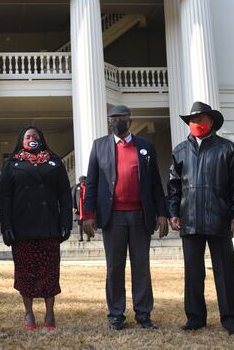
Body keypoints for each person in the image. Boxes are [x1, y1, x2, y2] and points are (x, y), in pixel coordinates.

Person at [82, 105, 168, 331]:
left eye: (119, 119)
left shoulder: (146, 147)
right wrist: (88, 214)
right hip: (113, 218)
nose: (115, 122)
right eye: (112, 119)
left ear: (129, 121)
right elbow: (91, 184)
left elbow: (155, 183)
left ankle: (143, 313)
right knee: (114, 267)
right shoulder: (99, 146)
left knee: (141, 266)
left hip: (140, 216)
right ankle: (116, 314)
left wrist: (162, 213)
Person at [167, 102, 234, 335]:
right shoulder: (180, 150)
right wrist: (173, 212)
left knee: (225, 273)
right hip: (189, 220)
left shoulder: (228, 149)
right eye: (193, 120)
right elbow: (173, 187)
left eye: (201, 119)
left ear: (211, 122)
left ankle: (232, 321)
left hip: (219, 220)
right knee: (193, 273)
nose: (197, 124)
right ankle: (195, 318)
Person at [0, 127, 73, 330]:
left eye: (36, 137)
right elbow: (4, 198)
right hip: (22, 228)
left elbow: (65, 196)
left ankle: (50, 313)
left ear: (42, 140)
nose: (32, 139)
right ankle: (29, 313)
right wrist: (6, 226)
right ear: (22, 140)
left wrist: (66, 221)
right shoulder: (11, 164)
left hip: (49, 226)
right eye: (28, 137)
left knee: (49, 272)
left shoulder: (54, 163)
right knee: (25, 273)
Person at [72, 176, 87, 241]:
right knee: (79, 222)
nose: (84, 182)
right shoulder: (76, 186)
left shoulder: (88, 186)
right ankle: (80, 237)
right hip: (79, 206)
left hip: (86, 206)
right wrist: (73, 207)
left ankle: (88, 236)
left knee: (87, 221)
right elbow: (73, 197)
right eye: (83, 181)